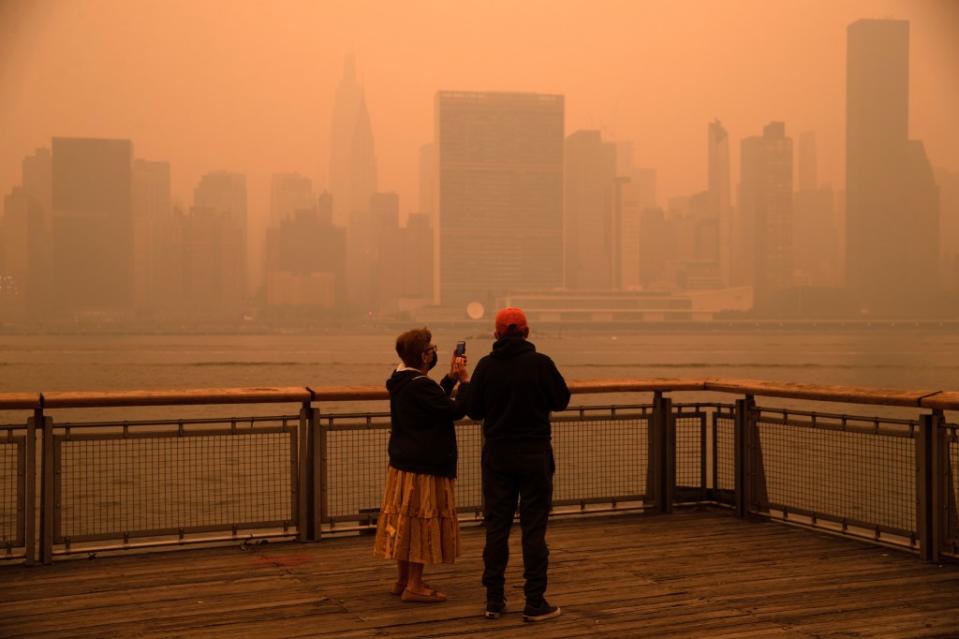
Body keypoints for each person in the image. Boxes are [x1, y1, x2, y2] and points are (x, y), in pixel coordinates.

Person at [467, 307, 570, 622]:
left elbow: (473, 410)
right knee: (533, 529)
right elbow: (561, 400)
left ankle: (494, 601)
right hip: (535, 454)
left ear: (496, 334)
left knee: (496, 528)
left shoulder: (485, 366)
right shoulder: (541, 364)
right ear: (527, 332)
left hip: (498, 455)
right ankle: (535, 602)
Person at [373, 327, 470, 603]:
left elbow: (433, 400)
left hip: (402, 463)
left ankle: (403, 579)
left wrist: (450, 378)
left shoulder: (401, 380)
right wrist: (465, 382)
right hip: (425, 465)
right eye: (431, 349)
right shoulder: (420, 385)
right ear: (424, 356)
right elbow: (453, 411)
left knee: (404, 517)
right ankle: (415, 585)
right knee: (421, 521)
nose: (435, 352)